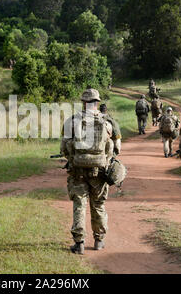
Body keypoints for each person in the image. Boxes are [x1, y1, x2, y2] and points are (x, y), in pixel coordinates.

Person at [60, 89, 121, 255]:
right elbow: (116, 149)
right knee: (99, 205)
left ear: (83, 102)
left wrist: (74, 159)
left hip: (78, 171)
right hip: (100, 172)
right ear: (98, 102)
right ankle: (99, 240)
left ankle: (79, 243)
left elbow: (63, 147)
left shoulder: (71, 121)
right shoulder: (108, 123)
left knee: (79, 204)